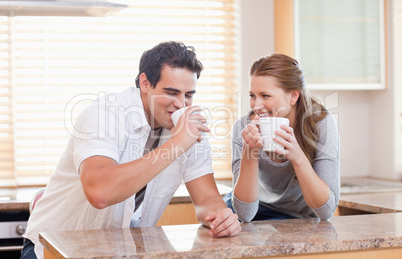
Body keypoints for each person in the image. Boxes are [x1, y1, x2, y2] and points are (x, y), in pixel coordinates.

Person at [22, 41, 241, 259]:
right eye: (171, 92)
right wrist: (176, 144)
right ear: (145, 83)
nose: (181, 104)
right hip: (53, 249)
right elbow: (99, 192)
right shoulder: (105, 114)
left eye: (188, 95)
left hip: (115, 252)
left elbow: (206, 201)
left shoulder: (187, 129)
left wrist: (221, 217)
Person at [223, 53, 340, 222]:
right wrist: (250, 153)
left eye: (265, 95)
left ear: (293, 96)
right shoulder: (243, 128)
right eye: (252, 95)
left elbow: (326, 212)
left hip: (298, 217)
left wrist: (298, 157)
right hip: (255, 211)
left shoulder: (321, 124)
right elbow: (245, 214)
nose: (256, 105)